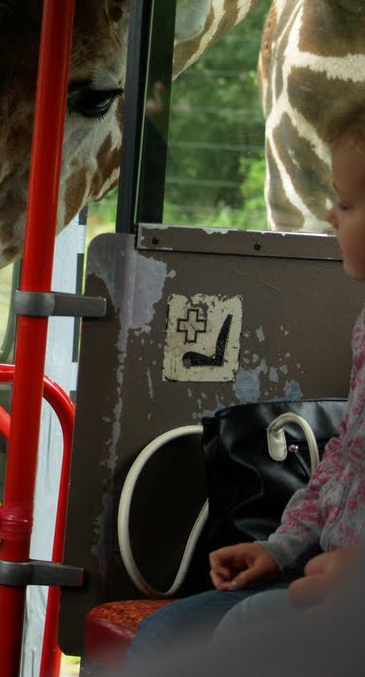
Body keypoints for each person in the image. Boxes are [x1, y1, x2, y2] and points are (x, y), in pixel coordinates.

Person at [125, 96, 365, 660]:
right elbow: (343, 459)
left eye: (348, 203)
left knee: (246, 630)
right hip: (323, 568)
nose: (331, 214)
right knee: (162, 634)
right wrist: (279, 548)